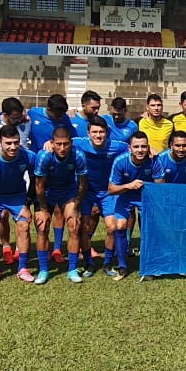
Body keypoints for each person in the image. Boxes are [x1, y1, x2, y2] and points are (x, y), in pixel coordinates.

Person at [0, 124, 38, 285]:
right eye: (8, 143)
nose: (13, 147)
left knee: (24, 226)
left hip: (17, 197)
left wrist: (26, 205)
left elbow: (34, 182)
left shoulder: (28, 156)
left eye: (16, 142)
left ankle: (23, 268)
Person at [32, 127, 89, 284]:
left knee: (74, 225)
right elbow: (39, 186)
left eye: (65, 144)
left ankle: (72, 269)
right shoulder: (44, 156)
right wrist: (43, 209)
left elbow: (83, 184)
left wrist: (76, 205)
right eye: (58, 144)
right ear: (52, 143)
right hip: (47, 193)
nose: (62, 148)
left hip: (67, 193)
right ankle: (43, 270)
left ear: (71, 143)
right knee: (42, 227)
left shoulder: (78, 155)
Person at [75, 117, 129, 277]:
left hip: (108, 192)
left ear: (107, 133)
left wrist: (151, 148)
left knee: (112, 227)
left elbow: (135, 148)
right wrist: (50, 143)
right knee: (83, 228)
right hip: (86, 192)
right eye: (95, 132)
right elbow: (60, 141)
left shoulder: (117, 146)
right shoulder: (79, 143)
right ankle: (89, 264)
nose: (98, 135)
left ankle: (107, 263)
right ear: (88, 133)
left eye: (101, 132)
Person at [107, 131, 154, 280]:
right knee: (120, 226)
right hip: (125, 196)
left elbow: (161, 185)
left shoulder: (154, 160)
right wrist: (129, 185)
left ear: (148, 147)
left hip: (146, 196)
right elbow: (111, 189)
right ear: (130, 148)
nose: (140, 150)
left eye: (143, 146)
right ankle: (122, 266)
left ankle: (148, 265)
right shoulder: (120, 161)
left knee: (148, 227)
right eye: (136, 146)